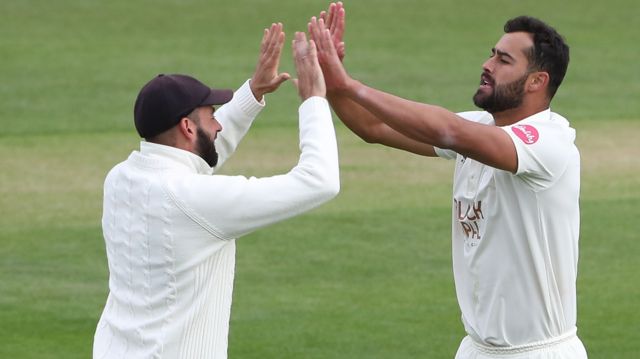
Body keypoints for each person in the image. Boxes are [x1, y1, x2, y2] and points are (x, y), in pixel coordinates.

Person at [309, 3, 587, 358]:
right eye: (492, 55)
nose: (487, 66)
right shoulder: (480, 128)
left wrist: (352, 85)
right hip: (475, 348)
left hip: (539, 352)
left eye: (503, 60)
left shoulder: (550, 142)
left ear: (537, 81)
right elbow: (373, 127)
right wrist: (333, 84)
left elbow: (449, 131)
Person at [93, 24, 339, 359]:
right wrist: (313, 100)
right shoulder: (194, 199)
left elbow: (194, 157)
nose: (219, 123)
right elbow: (319, 181)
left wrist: (252, 94)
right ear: (187, 126)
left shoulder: (120, 178)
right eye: (211, 116)